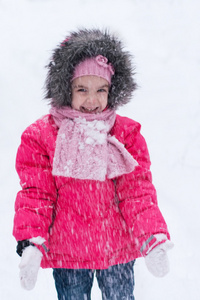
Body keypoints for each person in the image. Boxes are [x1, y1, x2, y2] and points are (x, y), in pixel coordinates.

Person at [13, 28, 173, 300]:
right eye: (82, 89)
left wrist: (152, 237)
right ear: (66, 89)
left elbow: (137, 192)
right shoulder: (41, 136)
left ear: (113, 90)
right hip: (69, 253)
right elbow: (37, 194)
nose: (92, 100)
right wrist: (31, 241)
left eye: (101, 90)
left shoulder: (125, 134)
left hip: (117, 249)